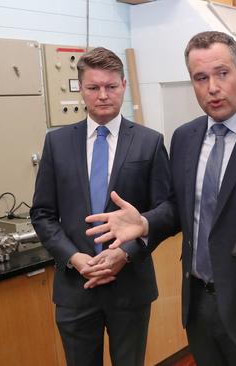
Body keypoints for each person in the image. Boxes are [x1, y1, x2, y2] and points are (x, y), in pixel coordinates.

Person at [86, 31, 236, 365]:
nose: (212, 88)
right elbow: (179, 209)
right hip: (200, 307)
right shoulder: (185, 137)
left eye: (222, 73)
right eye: (200, 78)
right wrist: (146, 223)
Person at [30, 47, 172, 366]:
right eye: (94, 87)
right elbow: (42, 214)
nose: (103, 95)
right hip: (75, 288)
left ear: (124, 85)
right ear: (80, 89)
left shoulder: (149, 142)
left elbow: (167, 211)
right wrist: (74, 258)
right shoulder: (57, 143)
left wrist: (127, 252)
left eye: (111, 86)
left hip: (130, 286)